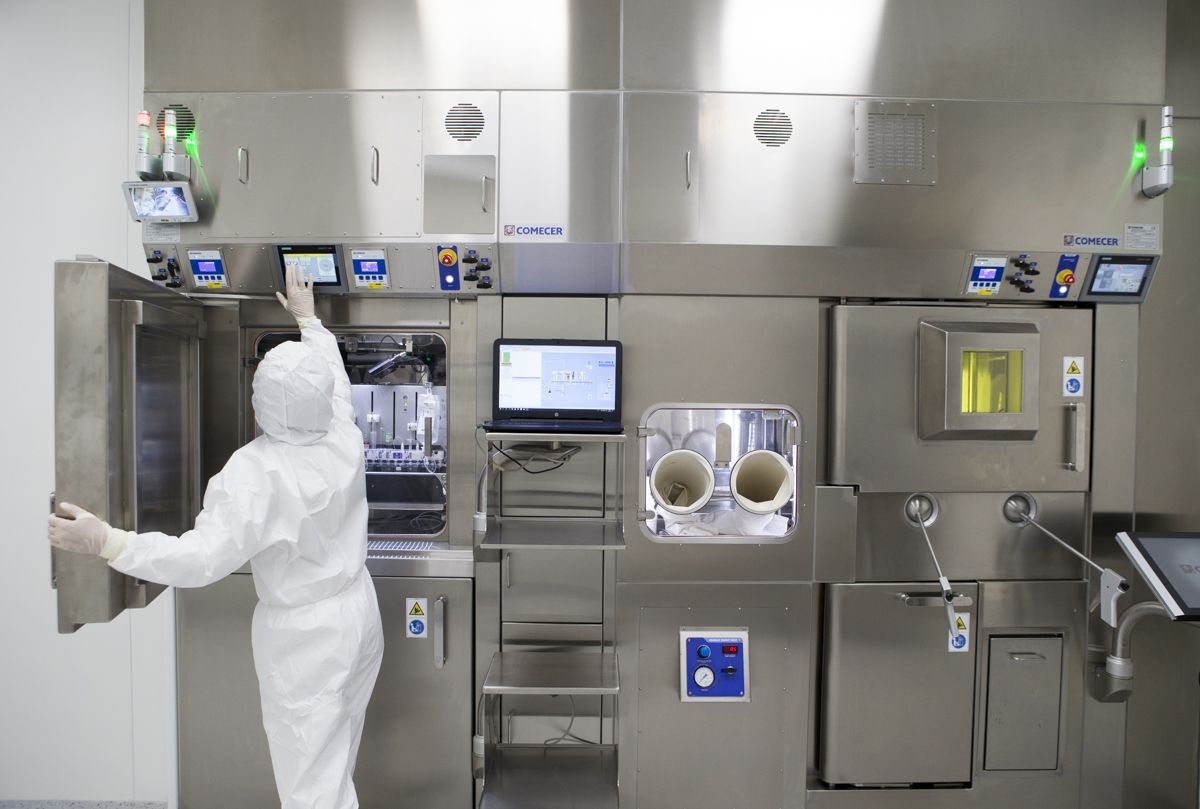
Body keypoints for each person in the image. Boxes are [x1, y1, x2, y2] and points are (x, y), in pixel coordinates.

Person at [47, 265, 383, 809]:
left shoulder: (256, 472)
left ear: (259, 402)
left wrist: (108, 542)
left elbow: (201, 559)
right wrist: (309, 320)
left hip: (305, 639)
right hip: (358, 612)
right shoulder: (342, 433)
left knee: (311, 783)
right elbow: (333, 381)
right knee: (337, 754)